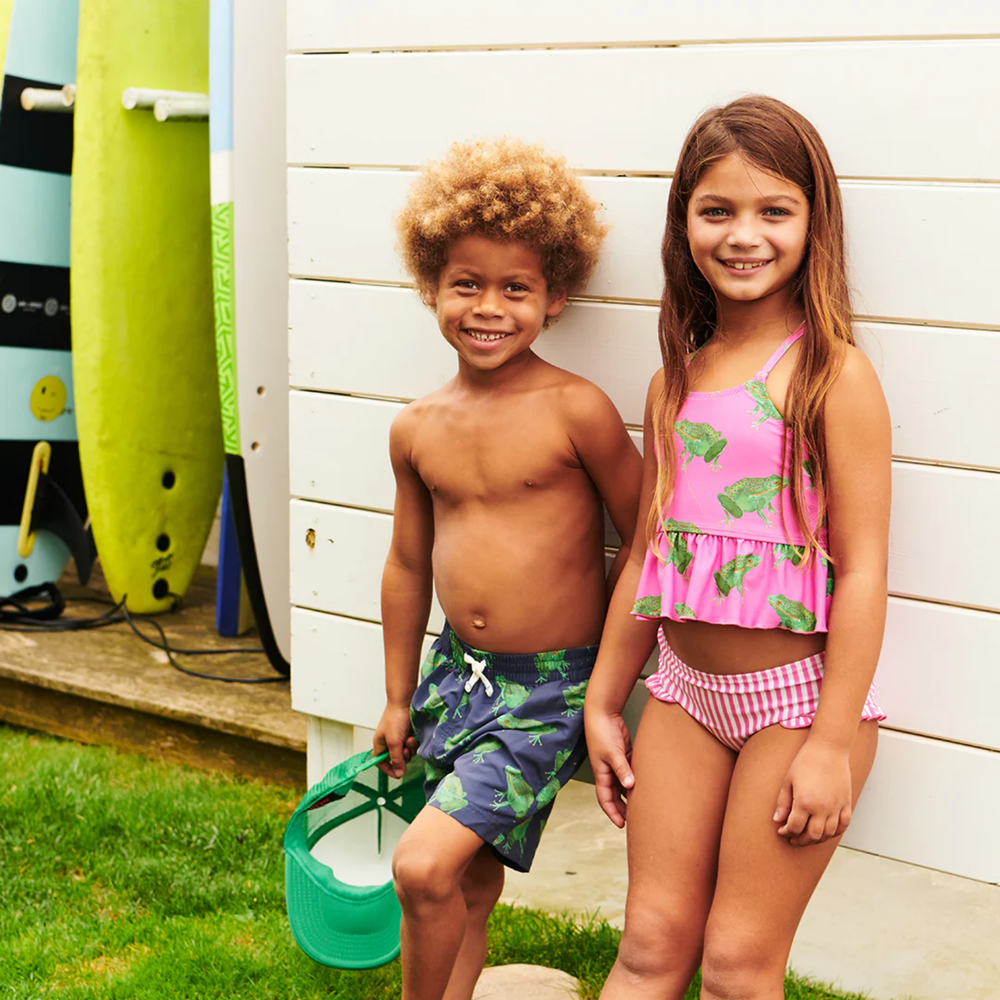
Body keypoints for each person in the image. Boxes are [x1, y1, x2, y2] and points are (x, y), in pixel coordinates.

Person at [584, 95, 892, 1000]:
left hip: (796, 705)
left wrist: (832, 741)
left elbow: (866, 568)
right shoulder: (671, 379)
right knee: (649, 946)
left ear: (813, 222)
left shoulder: (834, 375)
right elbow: (646, 553)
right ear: (684, 224)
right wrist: (607, 701)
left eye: (773, 211)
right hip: (684, 693)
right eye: (717, 210)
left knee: (735, 966)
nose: (743, 235)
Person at [372, 136, 643, 1000]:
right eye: (467, 283)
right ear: (431, 287)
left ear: (553, 295)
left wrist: (610, 683)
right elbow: (408, 564)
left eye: (515, 287)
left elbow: (645, 538)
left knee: (421, 867)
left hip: (548, 690)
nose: (489, 307)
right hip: (458, 677)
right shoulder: (416, 427)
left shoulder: (577, 410)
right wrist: (395, 693)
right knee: (468, 881)